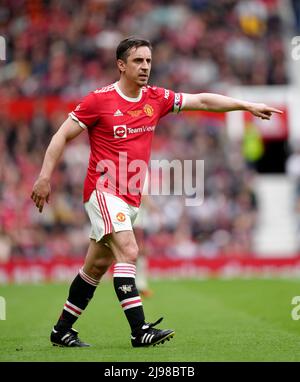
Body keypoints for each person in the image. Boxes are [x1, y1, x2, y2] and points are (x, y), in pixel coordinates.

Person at [31, 37, 282, 348]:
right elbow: (61, 136)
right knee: (130, 250)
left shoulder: (156, 98)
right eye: (138, 61)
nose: (146, 67)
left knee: (95, 267)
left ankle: (61, 330)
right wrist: (44, 177)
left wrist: (244, 105)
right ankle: (140, 331)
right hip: (103, 189)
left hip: (131, 196)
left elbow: (201, 101)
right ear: (121, 65)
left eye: (149, 61)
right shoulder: (99, 100)